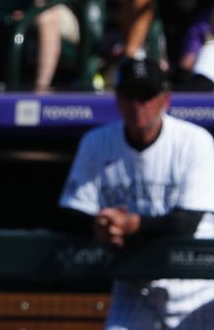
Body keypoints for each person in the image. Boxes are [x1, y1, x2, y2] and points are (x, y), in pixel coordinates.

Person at [56, 56, 214, 329]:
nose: (138, 104)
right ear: (117, 99)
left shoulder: (194, 141)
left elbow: (185, 222)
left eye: (147, 95)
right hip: (135, 281)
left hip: (194, 281)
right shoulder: (97, 142)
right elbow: (69, 212)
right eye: (130, 95)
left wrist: (132, 224)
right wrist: (99, 224)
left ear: (165, 99)